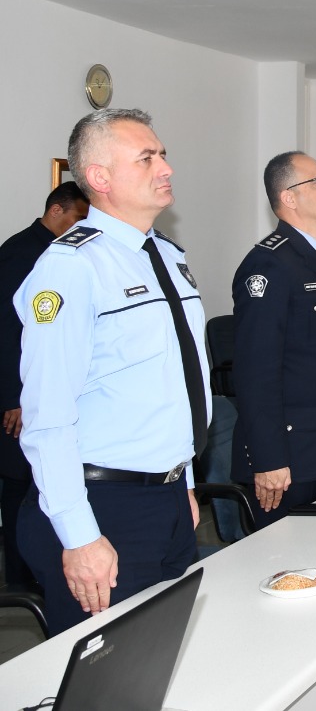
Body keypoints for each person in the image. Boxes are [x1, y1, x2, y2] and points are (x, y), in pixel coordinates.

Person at [13, 110, 210, 635]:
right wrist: (79, 536)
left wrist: (183, 479)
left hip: (166, 495)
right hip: (101, 505)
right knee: (112, 671)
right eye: (147, 158)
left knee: (170, 653)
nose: (165, 167)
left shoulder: (166, 255)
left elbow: (176, 385)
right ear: (99, 177)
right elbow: (47, 415)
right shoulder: (71, 266)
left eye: (162, 154)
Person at [230, 152, 316, 528]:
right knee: (286, 560)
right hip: (288, 458)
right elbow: (256, 371)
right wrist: (268, 458)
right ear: (289, 197)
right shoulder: (269, 264)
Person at [0, 180, 89, 590]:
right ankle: (21, 580)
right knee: (20, 484)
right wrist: (13, 398)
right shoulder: (21, 253)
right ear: (56, 211)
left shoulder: (64, 252)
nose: (81, 226)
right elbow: (6, 333)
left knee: (44, 483)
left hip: (45, 389)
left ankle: (44, 566)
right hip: (19, 395)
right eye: (77, 218)